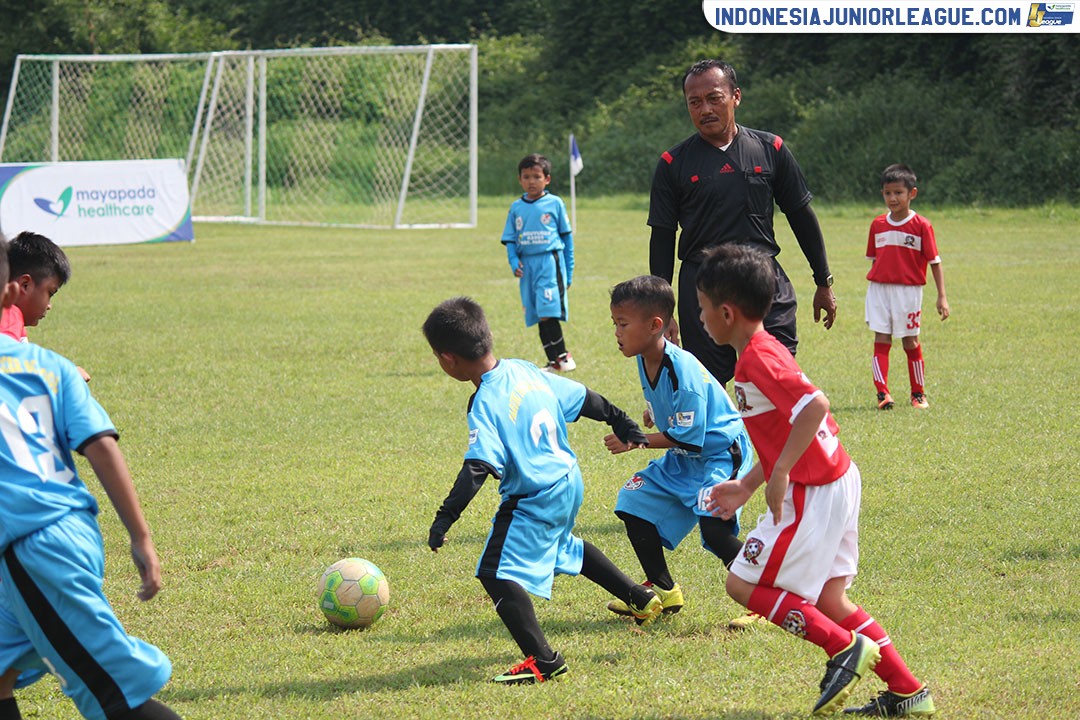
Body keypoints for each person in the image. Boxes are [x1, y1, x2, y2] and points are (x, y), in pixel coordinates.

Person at [695, 244, 935, 717]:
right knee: (830, 597)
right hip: (836, 478)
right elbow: (787, 428)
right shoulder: (762, 352)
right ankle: (909, 692)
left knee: (741, 585)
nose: (700, 318)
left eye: (702, 309)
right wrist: (747, 485)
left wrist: (780, 474)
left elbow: (815, 407)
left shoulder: (757, 359)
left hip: (814, 488)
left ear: (726, 312)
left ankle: (842, 649)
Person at [423, 297, 662, 685]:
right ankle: (640, 597)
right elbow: (585, 399)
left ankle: (544, 662)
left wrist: (444, 517)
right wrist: (622, 422)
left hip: (533, 496)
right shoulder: (523, 369)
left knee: (494, 572)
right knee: (562, 545)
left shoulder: (484, 402)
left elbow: (478, 466)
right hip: (568, 479)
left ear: (448, 359)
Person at [0, 236, 181, 720]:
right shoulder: (51, 365)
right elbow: (101, 444)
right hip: (60, 532)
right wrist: (141, 537)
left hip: (33, 548)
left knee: (115, 695)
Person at [648, 59, 837, 386]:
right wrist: (662, 309)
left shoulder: (771, 149)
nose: (705, 109)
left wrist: (823, 280)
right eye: (695, 102)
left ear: (736, 96)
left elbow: (800, 215)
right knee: (710, 384)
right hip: (703, 283)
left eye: (714, 97)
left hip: (762, 277)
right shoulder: (672, 164)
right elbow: (663, 238)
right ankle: (723, 439)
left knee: (776, 375)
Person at [602, 275, 753, 622]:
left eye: (623, 324)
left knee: (715, 531)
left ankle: (763, 597)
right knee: (632, 504)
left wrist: (635, 440)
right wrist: (654, 412)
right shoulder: (645, 356)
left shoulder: (682, 372)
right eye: (615, 323)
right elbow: (669, 410)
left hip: (718, 454)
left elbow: (688, 435)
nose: (617, 332)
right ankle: (664, 591)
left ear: (655, 325)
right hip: (685, 457)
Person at [866, 164, 949, 410]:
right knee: (881, 339)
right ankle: (883, 394)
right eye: (887, 193)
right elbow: (874, 259)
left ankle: (918, 394)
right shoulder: (877, 225)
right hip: (879, 290)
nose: (893, 198)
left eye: (898, 193)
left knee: (910, 342)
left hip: (909, 292)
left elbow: (935, 262)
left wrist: (942, 297)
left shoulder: (922, 226)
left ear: (912, 193)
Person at [501, 154, 576, 372]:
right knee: (536, 313)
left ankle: (563, 356)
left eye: (536, 176)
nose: (531, 181)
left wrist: (568, 271)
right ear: (520, 180)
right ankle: (553, 361)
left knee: (547, 311)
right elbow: (510, 240)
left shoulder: (555, 204)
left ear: (547, 179)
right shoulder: (516, 207)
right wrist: (513, 261)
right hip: (527, 266)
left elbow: (567, 239)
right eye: (526, 177)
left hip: (549, 262)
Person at [0, 231, 90, 382]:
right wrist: (62, 374)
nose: (49, 305)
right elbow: (8, 369)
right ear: (25, 285)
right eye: (50, 292)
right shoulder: (10, 316)